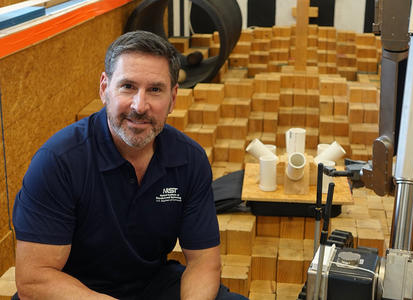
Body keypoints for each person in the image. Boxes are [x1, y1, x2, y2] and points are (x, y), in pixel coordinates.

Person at [12, 30, 248, 300]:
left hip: (151, 285)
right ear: (104, 88)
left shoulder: (189, 160)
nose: (140, 105)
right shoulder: (58, 162)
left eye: (155, 90)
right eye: (128, 86)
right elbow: (34, 280)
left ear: (172, 98)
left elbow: (204, 263)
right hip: (72, 290)